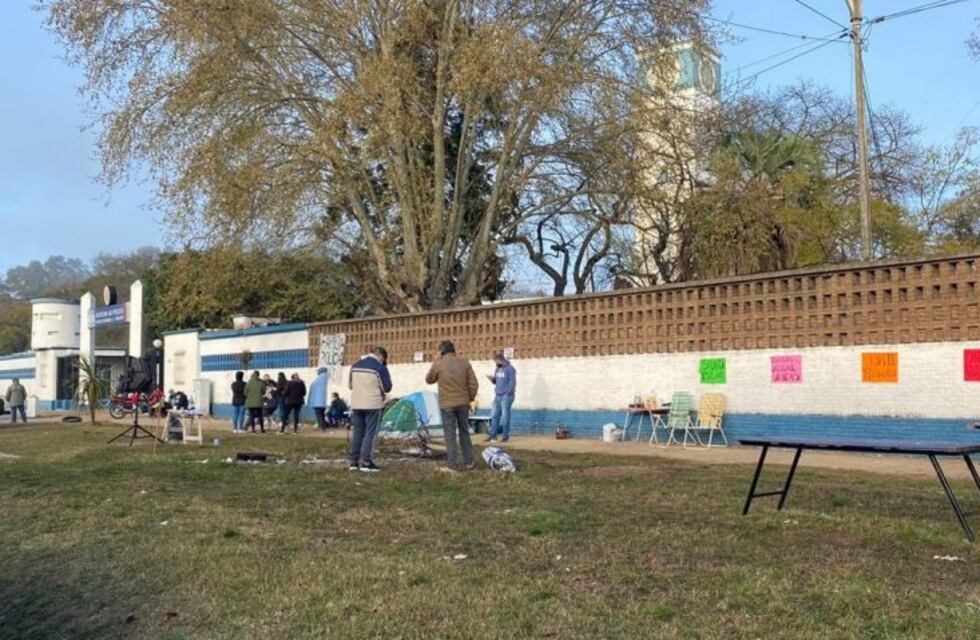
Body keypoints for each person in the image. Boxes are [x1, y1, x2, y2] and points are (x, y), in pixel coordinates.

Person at [425, 341, 479, 471]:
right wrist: (469, 398)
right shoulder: (465, 363)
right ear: (454, 350)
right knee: (464, 432)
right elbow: (474, 384)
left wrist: (435, 362)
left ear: (441, 352)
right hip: (463, 404)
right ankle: (469, 461)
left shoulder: (439, 363)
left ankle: (452, 463)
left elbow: (429, 379)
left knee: (450, 435)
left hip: (447, 405)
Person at [348, 346, 392, 472]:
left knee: (357, 433)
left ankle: (353, 462)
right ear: (382, 357)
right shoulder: (380, 367)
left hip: (356, 403)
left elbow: (350, 385)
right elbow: (387, 387)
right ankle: (366, 462)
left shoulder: (355, 366)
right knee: (370, 434)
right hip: (373, 404)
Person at [486, 352, 517, 443]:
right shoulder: (497, 369)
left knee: (505, 416)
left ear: (500, 360)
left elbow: (512, 382)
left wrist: (507, 393)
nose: (495, 363)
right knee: (494, 415)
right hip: (497, 395)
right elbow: (496, 382)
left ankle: (505, 436)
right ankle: (493, 436)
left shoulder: (510, 369)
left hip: (506, 396)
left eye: (496, 361)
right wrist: (492, 379)